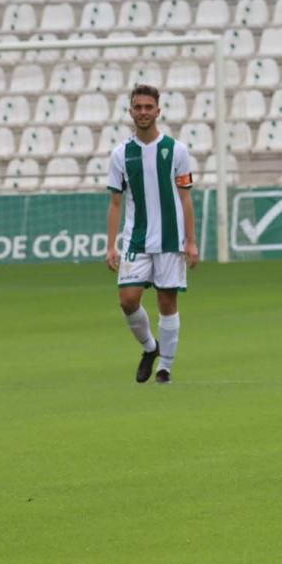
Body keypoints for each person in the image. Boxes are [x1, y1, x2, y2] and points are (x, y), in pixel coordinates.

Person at [104, 84, 199, 385]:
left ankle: (165, 368)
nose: (143, 112)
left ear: (158, 111)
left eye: (148, 107)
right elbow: (115, 202)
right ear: (130, 111)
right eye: (138, 107)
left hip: (171, 239)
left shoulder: (177, 151)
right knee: (127, 300)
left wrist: (191, 241)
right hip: (137, 239)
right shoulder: (120, 154)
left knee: (167, 302)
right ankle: (150, 347)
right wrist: (110, 246)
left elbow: (185, 198)